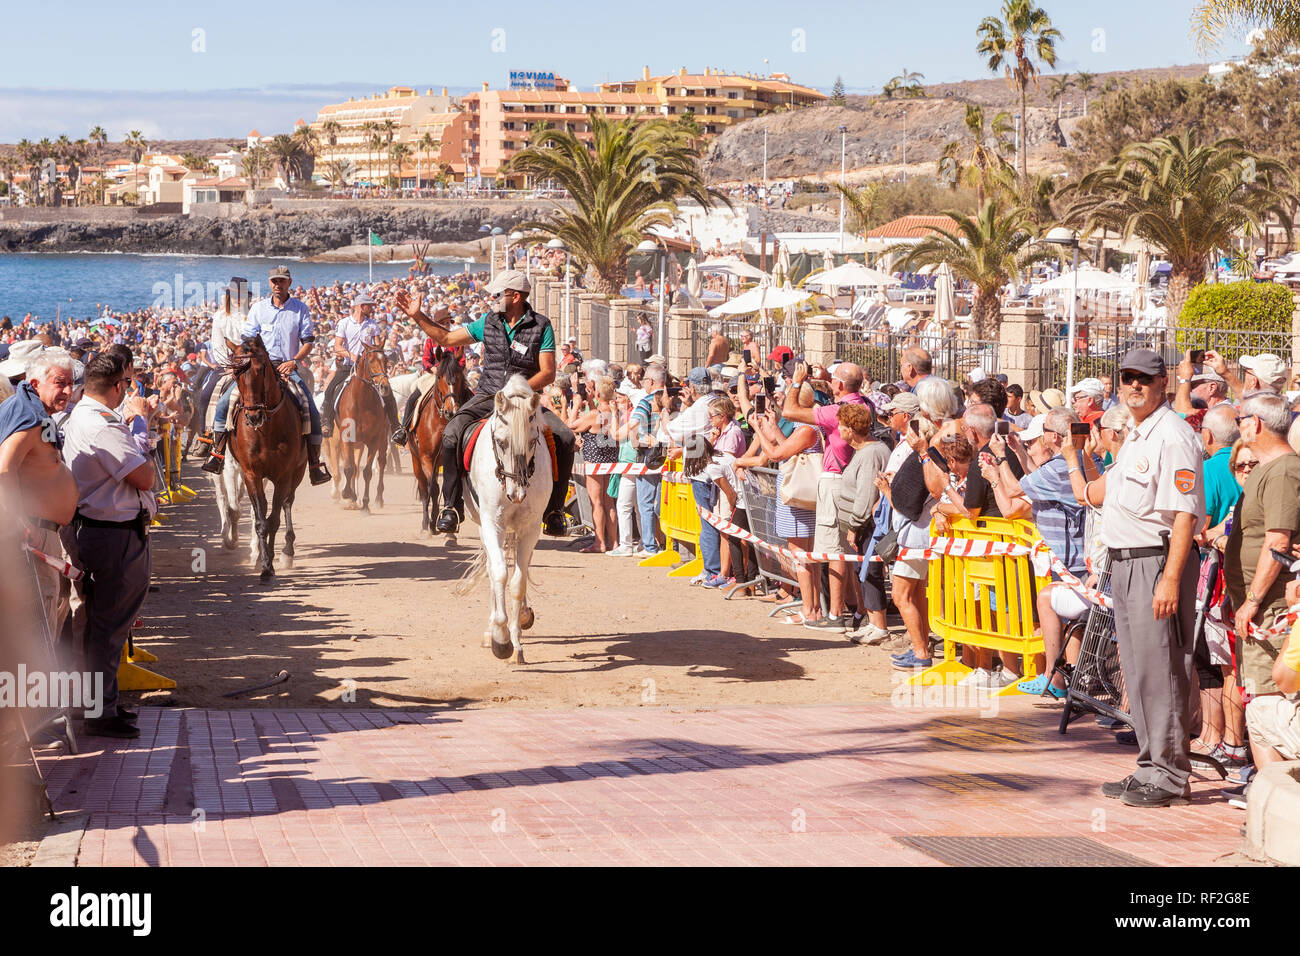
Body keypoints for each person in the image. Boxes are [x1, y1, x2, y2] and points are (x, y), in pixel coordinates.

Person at [1082, 349, 1205, 808]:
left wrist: (1170, 578)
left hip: (1157, 561)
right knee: (1138, 672)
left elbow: (1184, 516)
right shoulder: (1136, 434)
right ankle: (1150, 765)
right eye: (1128, 377)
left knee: (1163, 671)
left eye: (1144, 379)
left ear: (1163, 384)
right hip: (1127, 561)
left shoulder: (1171, 436)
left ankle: (1170, 775)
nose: (1134, 386)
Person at [394, 270, 574, 537]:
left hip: (523, 399)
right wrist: (418, 316)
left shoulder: (541, 326)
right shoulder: (488, 322)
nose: (493, 298)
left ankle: (555, 512)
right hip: (487, 396)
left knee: (565, 437)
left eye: (498, 294)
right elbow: (445, 339)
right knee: (452, 433)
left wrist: (518, 390)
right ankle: (452, 508)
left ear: (515, 296)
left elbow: (547, 372)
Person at [62, 352, 158, 739]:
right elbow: (145, 477)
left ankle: (101, 703)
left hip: (106, 530)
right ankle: (100, 710)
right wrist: (141, 422)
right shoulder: (102, 424)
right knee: (109, 625)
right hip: (113, 533)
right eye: (126, 384)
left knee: (105, 624)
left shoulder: (89, 417)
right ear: (118, 386)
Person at [203, 265, 331, 486]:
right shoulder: (258, 309)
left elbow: (308, 341)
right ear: (269, 283)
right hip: (260, 369)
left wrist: (294, 361)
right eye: (274, 281)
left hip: (287, 367)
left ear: (289, 283)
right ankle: (217, 452)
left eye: (281, 281)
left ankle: (314, 463)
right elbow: (247, 338)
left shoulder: (300, 308)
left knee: (310, 408)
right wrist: (248, 362)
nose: (277, 285)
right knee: (226, 402)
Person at [1224, 390, 1300, 701]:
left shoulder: (1283, 470)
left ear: (1255, 423)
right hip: (1258, 606)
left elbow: (1277, 541)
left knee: (1266, 704)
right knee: (1257, 702)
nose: (1237, 427)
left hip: (1270, 607)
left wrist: (1253, 601)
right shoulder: (1267, 468)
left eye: (1240, 420)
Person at [0, 350, 80, 645]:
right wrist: (20, 522)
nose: (68, 391)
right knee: (39, 619)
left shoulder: (30, 409)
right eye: (60, 383)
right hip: (34, 534)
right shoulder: (31, 417)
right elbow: (3, 469)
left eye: (71, 383)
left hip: (40, 531)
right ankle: (32, 689)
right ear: (35, 383)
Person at [781, 361, 867, 631]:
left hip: (835, 481)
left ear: (839, 385)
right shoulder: (865, 405)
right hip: (853, 478)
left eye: (833, 381)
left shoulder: (838, 412)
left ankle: (836, 615)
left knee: (833, 551)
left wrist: (797, 381)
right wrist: (831, 377)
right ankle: (857, 611)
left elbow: (789, 411)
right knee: (847, 549)